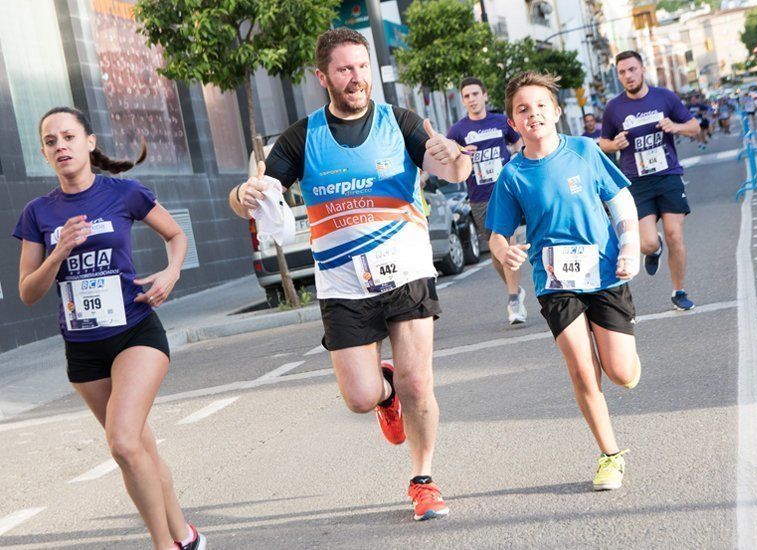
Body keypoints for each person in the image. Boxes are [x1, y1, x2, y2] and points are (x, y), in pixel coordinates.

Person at [228, 28, 471, 521]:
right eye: (344, 69)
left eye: (361, 67)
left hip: (405, 271)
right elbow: (259, 191)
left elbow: (454, 170)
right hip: (342, 284)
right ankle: (385, 392)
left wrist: (455, 157)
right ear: (323, 77)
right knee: (360, 398)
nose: (357, 78)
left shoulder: (400, 123)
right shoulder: (303, 137)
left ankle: (423, 480)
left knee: (418, 383)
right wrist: (243, 196)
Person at [14, 107, 206, 550]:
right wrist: (57, 251)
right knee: (138, 447)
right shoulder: (37, 213)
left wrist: (170, 273)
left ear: (89, 141)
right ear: (45, 154)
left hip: (135, 330)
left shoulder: (124, 193)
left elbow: (176, 236)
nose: (60, 146)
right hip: (83, 349)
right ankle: (187, 535)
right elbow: (27, 291)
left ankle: (165, 546)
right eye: (50, 141)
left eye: (68, 137)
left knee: (121, 442)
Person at [487, 71, 642, 491]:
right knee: (581, 370)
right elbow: (497, 235)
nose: (532, 114)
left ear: (556, 112)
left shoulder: (584, 150)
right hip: (555, 281)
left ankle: (622, 363)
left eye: (540, 106)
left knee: (621, 373)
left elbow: (620, 198)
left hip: (606, 270)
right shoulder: (511, 176)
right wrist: (505, 252)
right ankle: (610, 455)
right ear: (513, 123)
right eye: (522, 109)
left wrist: (629, 247)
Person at [599, 50, 700, 311]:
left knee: (674, 234)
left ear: (642, 69)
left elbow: (694, 127)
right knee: (648, 242)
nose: (628, 76)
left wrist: (675, 127)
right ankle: (654, 251)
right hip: (637, 181)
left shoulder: (664, 97)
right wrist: (614, 144)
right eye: (622, 72)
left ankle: (679, 291)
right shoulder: (614, 108)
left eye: (632, 69)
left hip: (668, 175)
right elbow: (603, 143)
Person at [446, 77, 526, 324]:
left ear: (485, 96)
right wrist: (460, 153)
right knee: (496, 254)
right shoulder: (458, 131)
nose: (471, 99)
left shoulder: (501, 121)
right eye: (467, 96)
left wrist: (517, 158)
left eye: (475, 94)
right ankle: (517, 290)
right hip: (478, 198)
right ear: (463, 100)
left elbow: (519, 141)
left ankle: (513, 301)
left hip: (504, 192)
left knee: (508, 242)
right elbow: (450, 159)